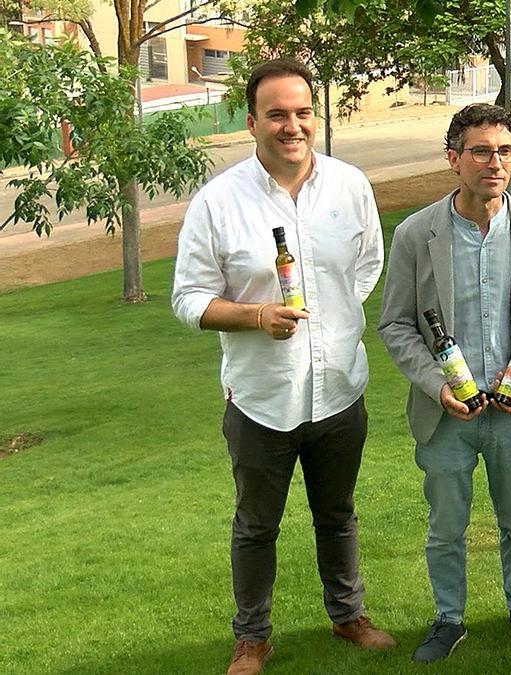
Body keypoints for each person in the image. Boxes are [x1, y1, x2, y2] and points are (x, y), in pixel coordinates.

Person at [171, 58, 394, 675]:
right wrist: (254, 317)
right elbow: (187, 298)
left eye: (302, 113)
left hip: (340, 391)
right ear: (251, 122)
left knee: (338, 514)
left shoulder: (351, 186)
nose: (291, 125)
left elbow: (366, 266)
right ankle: (252, 638)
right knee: (255, 526)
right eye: (277, 114)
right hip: (260, 397)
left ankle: (348, 616)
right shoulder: (218, 201)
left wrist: (337, 321)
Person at [378, 103, 511, 664]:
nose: (495, 162)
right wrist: (436, 384)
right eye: (480, 151)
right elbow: (394, 322)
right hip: (446, 416)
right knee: (445, 526)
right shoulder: (418, 233)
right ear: (453, 159)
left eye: (504, 151)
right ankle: (448, 618)